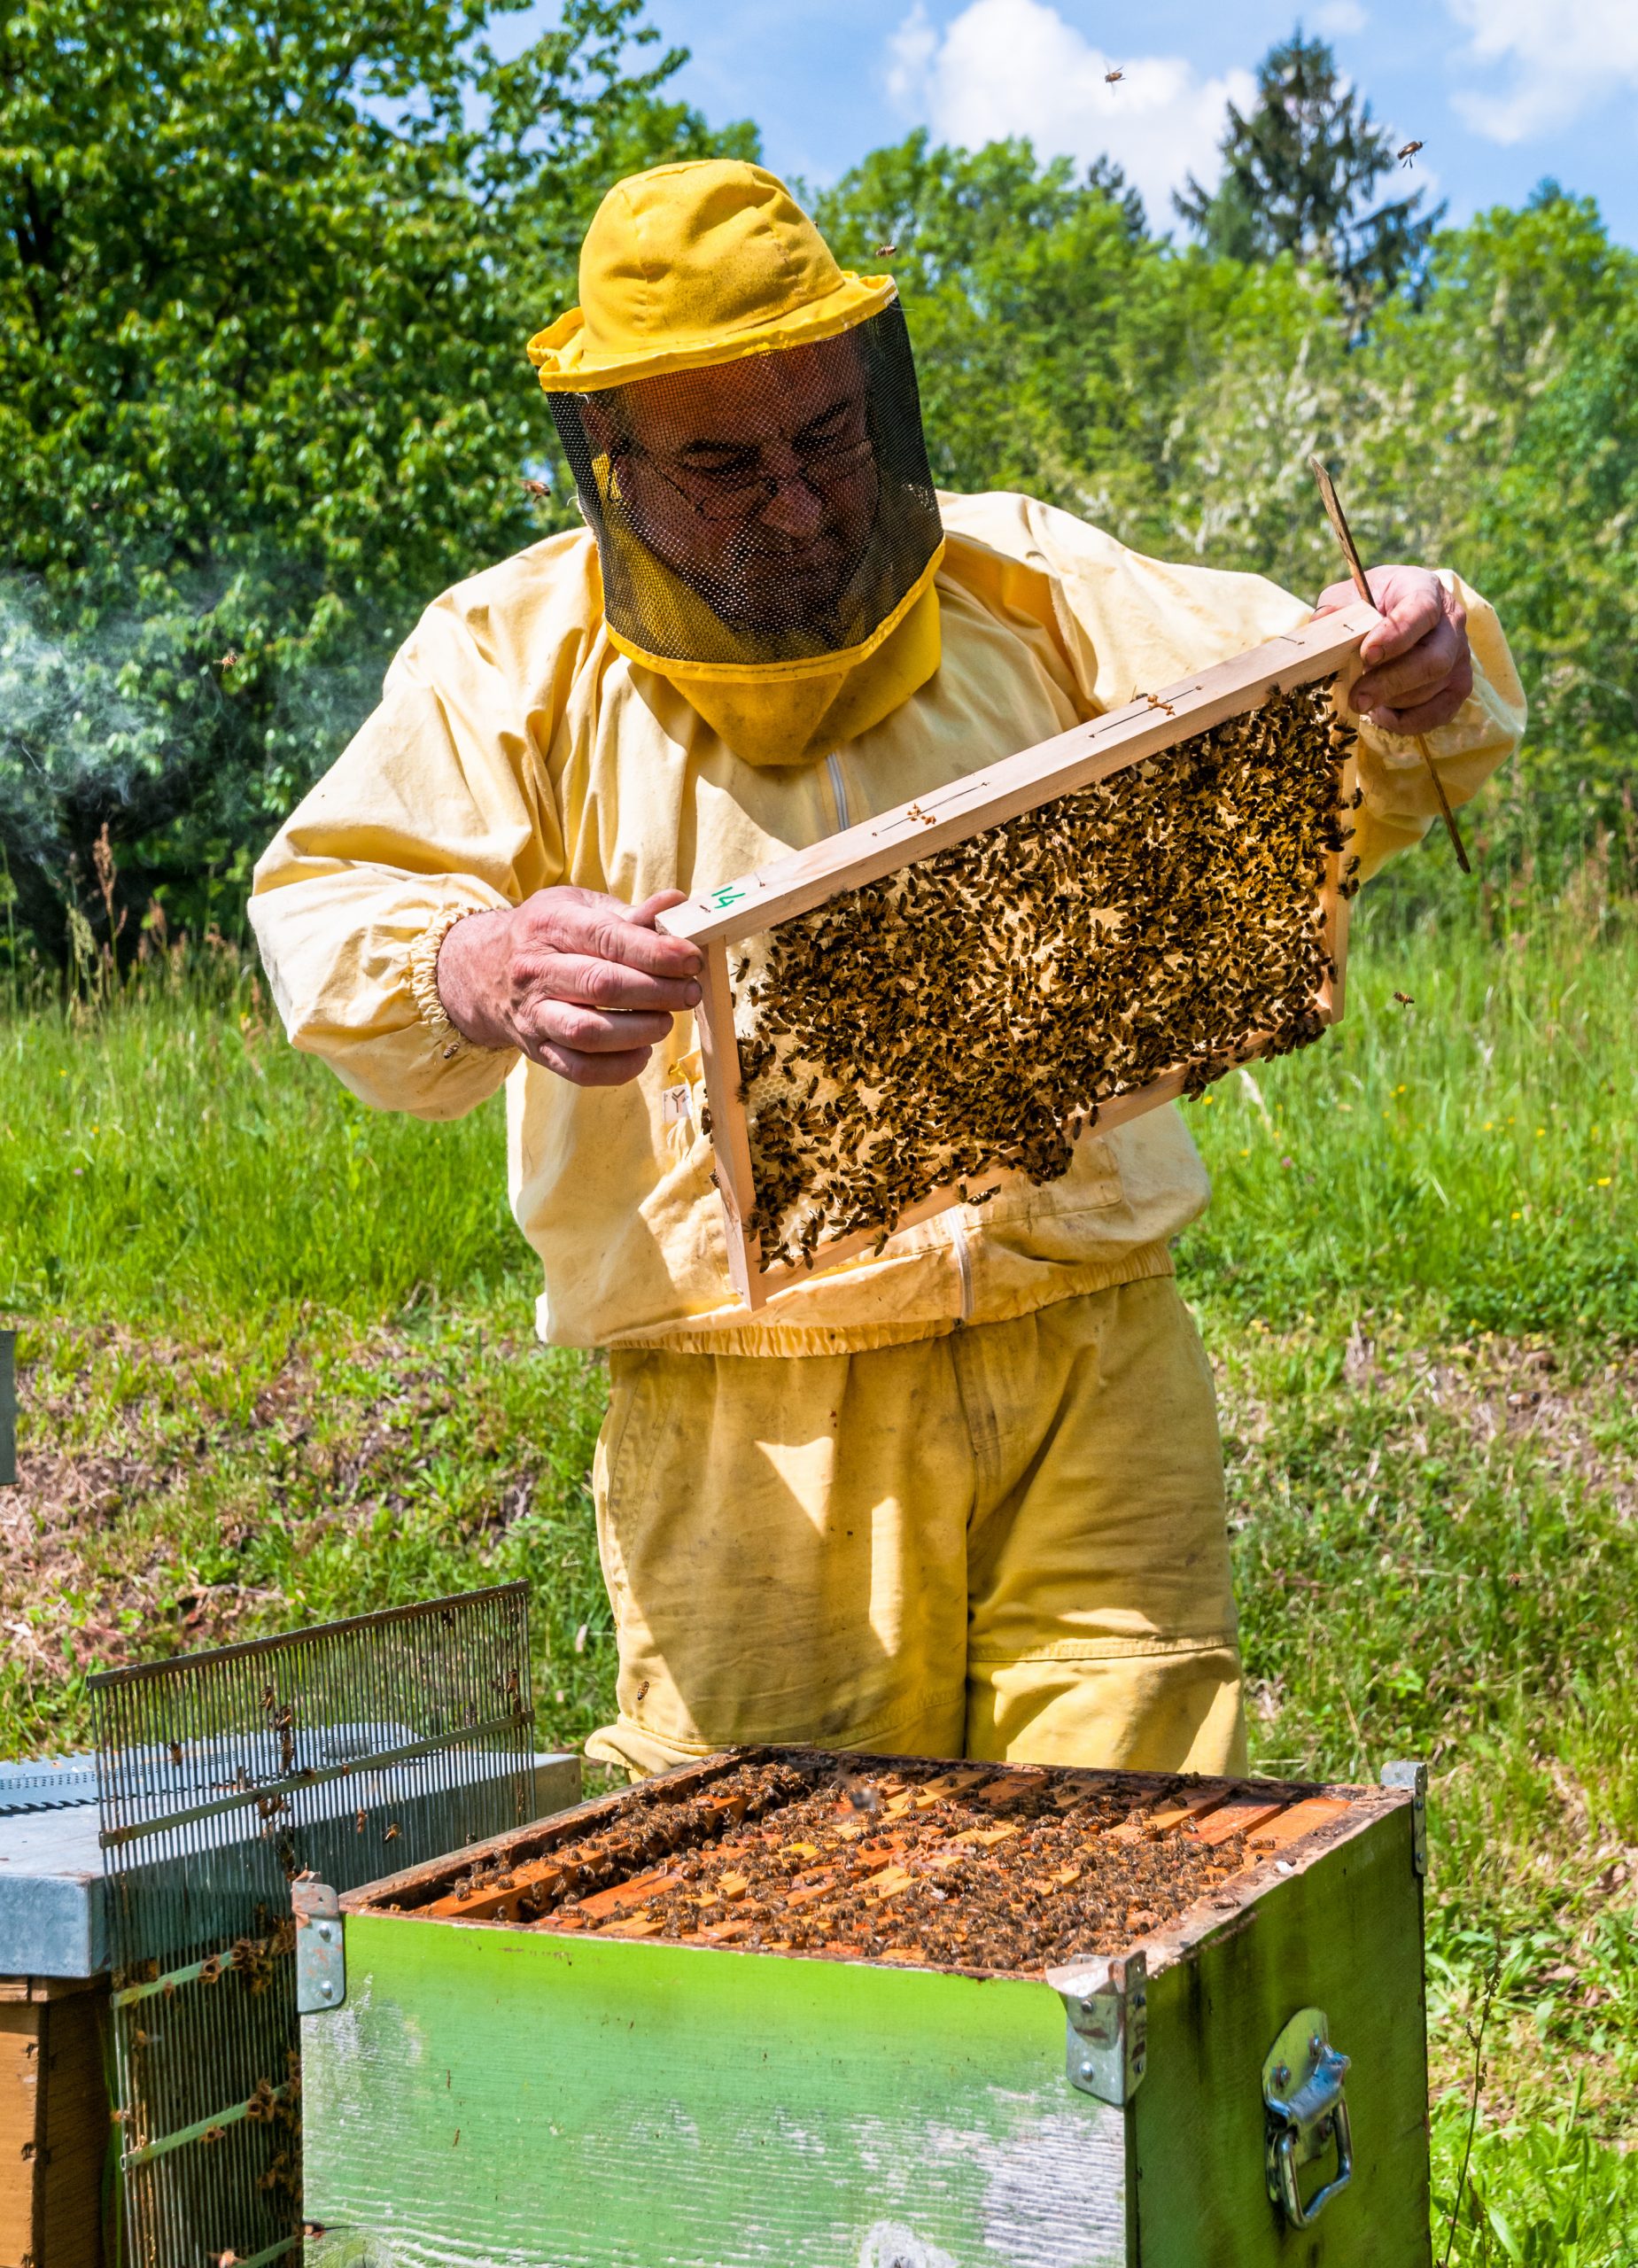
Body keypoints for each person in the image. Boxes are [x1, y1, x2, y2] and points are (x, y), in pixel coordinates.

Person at [250, 160, 1525, 1783]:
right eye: (725, 462)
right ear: (616, 466)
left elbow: (1317, 718)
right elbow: (327, 899)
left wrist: (1411, 652)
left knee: (1133, 1862)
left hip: (1090, 1348)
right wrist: (478, 960)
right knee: (783, 1907)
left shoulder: (1032, 581)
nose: (796, 502)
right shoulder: (502, 655)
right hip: (755, 1418)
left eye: (828, 438)